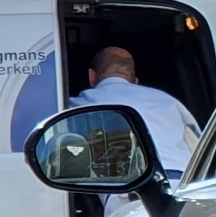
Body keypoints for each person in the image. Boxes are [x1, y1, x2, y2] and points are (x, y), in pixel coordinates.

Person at [71, 46, 201, 179]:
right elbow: (199, 148)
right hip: (186, 184)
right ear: (136, 82)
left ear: (92, 76)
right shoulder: (169, 102)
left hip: (132, 190)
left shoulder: (79, 104)